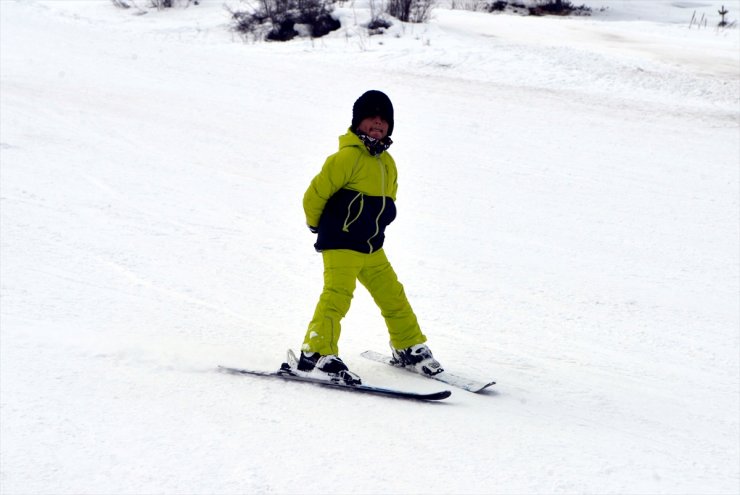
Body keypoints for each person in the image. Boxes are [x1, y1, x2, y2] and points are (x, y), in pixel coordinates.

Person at [296, 90, 443, 385]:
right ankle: (315, 353)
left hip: (370, 244)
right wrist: (316, 225)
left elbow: (388, 201)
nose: (378, 124)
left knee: (393, 294)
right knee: (337, 296)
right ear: (357, 122)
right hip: (342, 240)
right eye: (371, 118)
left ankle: (407, 345)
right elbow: (315, 194)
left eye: (383, 119)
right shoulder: (347, 157)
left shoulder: (387, 162)